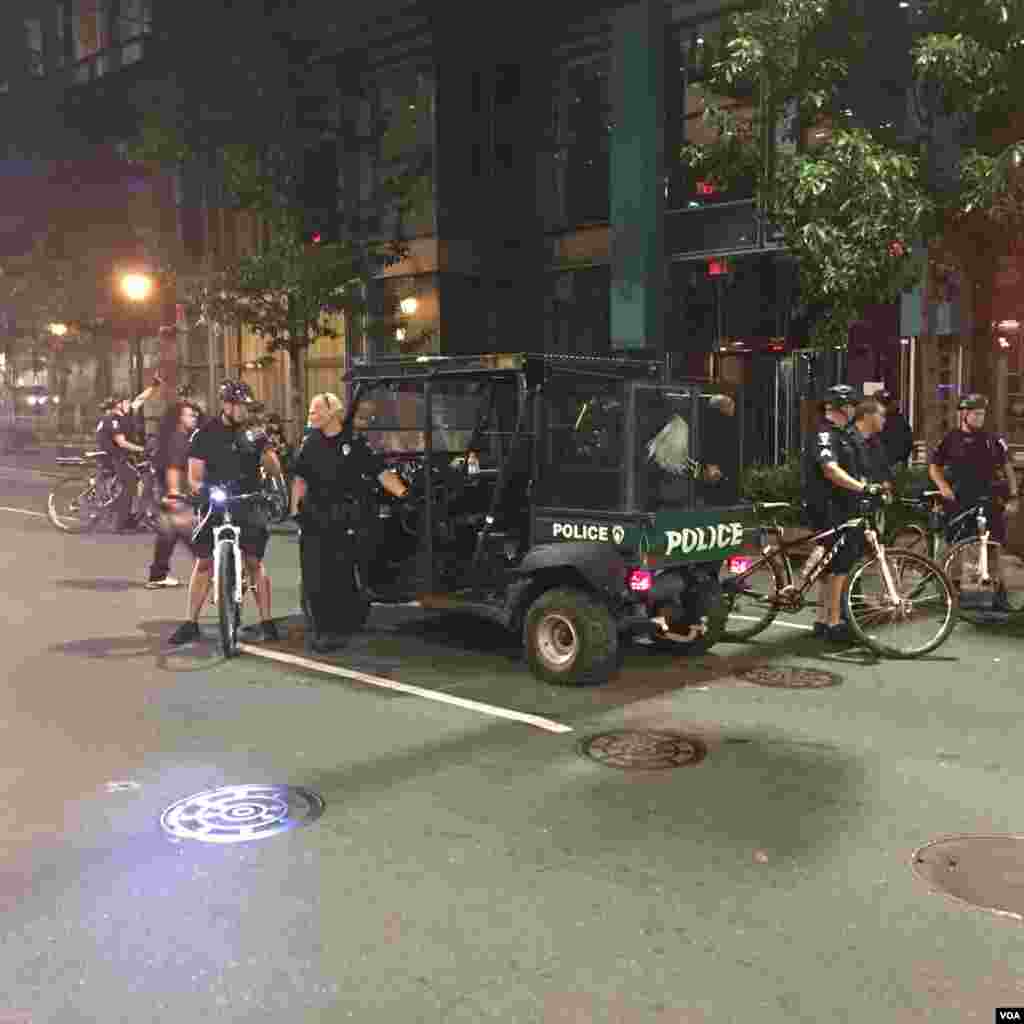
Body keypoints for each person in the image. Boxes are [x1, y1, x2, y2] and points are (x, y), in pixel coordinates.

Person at [166, 380, 286, 646]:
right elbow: (195, 476)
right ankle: (190, 623)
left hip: (248, 499)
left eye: (246, 405)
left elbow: (275, 470)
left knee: (254, 561)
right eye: (240, 405)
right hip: (216, 502)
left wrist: (265, 447)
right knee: (205, 561)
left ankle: (267, 622)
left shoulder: (255, 432)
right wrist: (201, 492)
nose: (244, 410)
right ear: (226, 405)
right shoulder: (206, 433)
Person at [290, 393, 409, 653]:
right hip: (315, 518)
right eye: (310, 411)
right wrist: (295, 513)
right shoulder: (309, 444)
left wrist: (404, 494)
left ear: (333, 413)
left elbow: (380, 472)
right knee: (315, 576)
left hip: (345, 518)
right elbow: (300, 480)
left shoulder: (354, 442)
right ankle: (323, 630)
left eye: (315, 411)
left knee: (341, 574)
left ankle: (342, 625)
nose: (310, 416)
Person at [793, 385, 883, 640]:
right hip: (828, 507)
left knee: (833, 564)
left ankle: (823, 619)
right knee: (840, 565)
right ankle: (833, 622)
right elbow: (830, 469)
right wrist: (862, 487)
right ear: (844, 407)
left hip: (842, 506)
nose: (855, 410)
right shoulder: (825, 434)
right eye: (853, 406)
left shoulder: (842, 434)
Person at [928, 393, 1019, 611]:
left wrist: (1014, 496)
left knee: (993, 546)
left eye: (982, 414)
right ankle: (953, 592)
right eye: (976, 414)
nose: (980, 418)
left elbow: (1007, 468)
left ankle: (999, 593)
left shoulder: (992, 439)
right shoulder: (951, 438)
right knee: (958, 546)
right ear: (964, 414)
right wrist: (943, 486)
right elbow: (934, 466)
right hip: (960, 500)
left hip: (989, 499)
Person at [145, 399, 201, 588]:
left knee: (167, 536)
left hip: (166, 494)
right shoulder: (179, 439)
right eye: (190, 415)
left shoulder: (175, 437)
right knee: (197, 539)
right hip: (175, 496)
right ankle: (212, 574)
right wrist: (175, 493)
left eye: (195, 414)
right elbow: (174, 467)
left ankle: (158, 575)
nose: (195, 417)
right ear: (179, 419)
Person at [96, 388, 154, 532]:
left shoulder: (123, 414)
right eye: (126, 402)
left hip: (122, 456)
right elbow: (121, 442)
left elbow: (139, 400)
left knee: (139, 478)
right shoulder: (112, 419)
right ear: (118, 405)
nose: (130, 404)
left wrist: (154, 387)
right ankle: (121, 523)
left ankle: (131, 516)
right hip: (113, 457)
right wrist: (142, 449)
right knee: (130, 483)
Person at [699, 393, 739, 506]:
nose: (732, 412)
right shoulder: (716, 425)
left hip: (718, 481)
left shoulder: (716, 424)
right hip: (714, 485)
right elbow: (711, 447)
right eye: (729, 407)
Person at [876, 390, 913, 471]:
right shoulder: (871, 419)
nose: (884, 407)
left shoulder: (900, 422)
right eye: (882, 403)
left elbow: (907, 444)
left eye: (886, 403)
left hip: (893, 467)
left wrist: (899, 461)